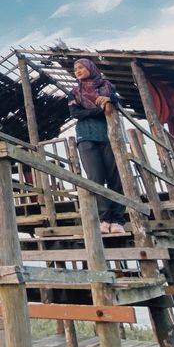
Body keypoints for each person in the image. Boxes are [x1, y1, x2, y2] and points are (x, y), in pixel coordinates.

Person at [68, 58, 126, 234]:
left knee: (115, 176)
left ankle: (117, 220)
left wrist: (108, 101)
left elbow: (117, 104)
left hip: (110, 136)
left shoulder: (107, 86)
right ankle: (104, 218)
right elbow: (75, 113)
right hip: (86, 136)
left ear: (90, 68)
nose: (78, 70)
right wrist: (100, 109)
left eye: (81, 67)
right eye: (75, 68)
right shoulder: (74, 92)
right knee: (95, 177)